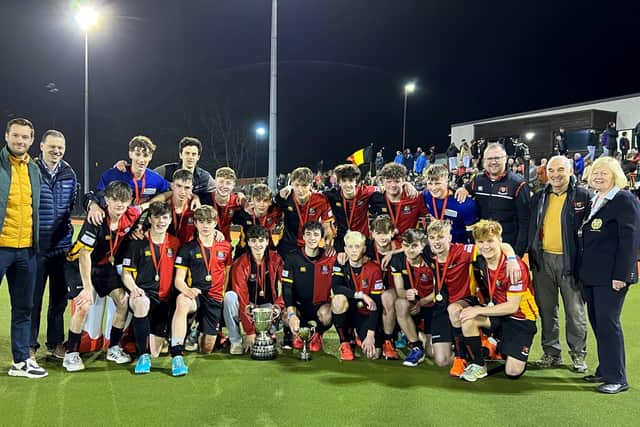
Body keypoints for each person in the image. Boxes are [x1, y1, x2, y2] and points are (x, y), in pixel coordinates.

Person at [63, 181, 141, 372]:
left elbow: (149, 204)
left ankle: (113, 348)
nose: (120, 205)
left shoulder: (130, 216)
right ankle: (70, 354)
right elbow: (84, 255)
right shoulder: (96, 218)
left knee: (123, 301)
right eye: (115, 200)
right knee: (84, 304)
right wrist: (88, 288)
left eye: (124, 201)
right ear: (106, 200)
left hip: (104, 266)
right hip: (78, 264)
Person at [577, 157, 640, 394]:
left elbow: (630, 240)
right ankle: (605, 370)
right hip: (593, 276)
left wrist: (622, 274)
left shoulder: (624, 199)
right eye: (595, 173)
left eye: (604, 173)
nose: (599, 177)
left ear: (615, 175)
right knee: (598, 323)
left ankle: (617, 378)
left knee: (608, 324)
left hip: (612, 276)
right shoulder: (596, 199)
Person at [527, 156, 591, 373]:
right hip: (543, 260)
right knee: (546, 310)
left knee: (575, 312)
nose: (555, 174)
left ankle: (578, 355)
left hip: (570, 262)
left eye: (561, 170)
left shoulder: (583, 195)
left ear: (570, 171)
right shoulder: (539, 196)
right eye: (551, 170)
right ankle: (551, 353)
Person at [458, 220, 538, 382]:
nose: (485, 246)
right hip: (497, 313)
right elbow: (452, 249)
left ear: (499, 241)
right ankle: (479, 365)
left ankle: (499, 345)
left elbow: (512, 306)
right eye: (480, 242)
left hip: (520, 319)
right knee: (468, 319)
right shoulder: (480, 255)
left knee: (513, 372)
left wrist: (478, 309)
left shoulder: (516, 268)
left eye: (490, 241)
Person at [0, 118, 48, 378]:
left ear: (31, 140)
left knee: (23, 307)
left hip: (26, 250)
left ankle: (20, 362)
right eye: (15, 136)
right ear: (7, 137)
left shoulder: (34, 169)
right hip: (1, 247)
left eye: (25, 137)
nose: (20, 141)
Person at [30, 130, 78, 361]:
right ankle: (29, 345)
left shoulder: (69, 173)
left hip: (62, 249)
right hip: (35, 248)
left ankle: (55, 342)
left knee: (58, 300)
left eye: (60, 147)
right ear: (41, 146)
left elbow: (71, 205)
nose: (56, 151)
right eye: (52, 147)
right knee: (33, 300)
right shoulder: (30, 170)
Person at [169, 206, 232, 376]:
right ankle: (177, 354)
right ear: (195, 223)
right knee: (182, 301)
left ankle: (193, 332)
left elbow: (226, 273)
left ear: (215, 223)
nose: (205, 225)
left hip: (214, 297)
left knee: (207, 348)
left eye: (209, 222)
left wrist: (222, 294)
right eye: (201, 221)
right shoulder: (188, 248)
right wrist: (187, 290)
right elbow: (178, 280)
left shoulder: (226, 246)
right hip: (195, 294)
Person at [121, 202, 181, 373]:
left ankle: (146, 346)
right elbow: (126, 274)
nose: (161, 222)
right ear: (150, 219)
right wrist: (134, 288)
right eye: (156, 217)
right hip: (144, 296)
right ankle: (142, 356)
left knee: (156, 351)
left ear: (170, 220)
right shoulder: (137, 242)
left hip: (164, 301)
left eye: (165, 217)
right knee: (141, 303)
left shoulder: (175, 243)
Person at [455, 143, 530, 256]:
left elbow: (525, 221)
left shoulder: (518, 183)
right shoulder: (478, 179)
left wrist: (517, 253)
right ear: (484, 161)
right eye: (489, 158)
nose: (493, 162)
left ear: (505, 159)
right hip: (483, 245)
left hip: (507, 246)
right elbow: (468, 188)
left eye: (497, 158)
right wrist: (463, 189)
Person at [223, 225, 284, 355]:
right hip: (247, 307)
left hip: (268, 307)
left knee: (291, 302)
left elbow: (287, 287)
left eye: (261, 240)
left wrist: (278, 306)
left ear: (267, 242)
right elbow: (242, 297)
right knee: (230, 297)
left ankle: (268, 333)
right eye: (254, 241)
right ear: (249, 242)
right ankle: (236, 341)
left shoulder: (276, 259)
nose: (258, 245)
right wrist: (249, 331)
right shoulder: (240, 263)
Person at [282, 221, 336, 352]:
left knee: (328, 314)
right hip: (299, 305)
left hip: (320, 305)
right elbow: (286, 288)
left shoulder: (330, 258)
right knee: (284, 315)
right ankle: (297, 334)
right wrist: (291, 315)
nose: (312, 238)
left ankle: (317, 334)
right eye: (308, 234)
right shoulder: (292, 258)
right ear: (303, 237)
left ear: (321, 238)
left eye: (316, 235)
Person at [331, 231, 384, 361]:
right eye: (350, 246)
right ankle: (345, 342)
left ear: (364, 249)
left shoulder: (374, 269)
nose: (353, 250)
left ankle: (361, 335)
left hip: (364, 314)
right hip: (347, 311)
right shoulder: (340, 264)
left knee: (374, 355)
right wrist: (360, 295)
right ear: (345, 249)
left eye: (357, 246)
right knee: (338, 300)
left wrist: (371, 334)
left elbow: (376, 303)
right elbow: (336, 287)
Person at [389, 229, 434, 367]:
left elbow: (439, 290)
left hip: (432, 304)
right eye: (406, 245)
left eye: (414, 246)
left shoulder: (431, 258)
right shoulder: (397, 260)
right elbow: (400, 290)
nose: (410, 250)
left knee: (432, 353)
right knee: (400, 303)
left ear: (422, 246)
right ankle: (416, 346)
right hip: (413, 305)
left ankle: (419, 333)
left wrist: (422, 301)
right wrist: (406, 293)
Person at [275, 167, 334, 257]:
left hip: (311, 246)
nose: (300, 190)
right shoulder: (285, 198)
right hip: (287, 246)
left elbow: (327, 227)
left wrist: (328, 243)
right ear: (292, 184)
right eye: (297, 185)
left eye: (304, 185)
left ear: (311, 185)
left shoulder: (320, 200)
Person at [366, 215, 403, 360]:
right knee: (373, 355)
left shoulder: (400, 246)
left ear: (393, 233)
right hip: (371, 291)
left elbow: (422, 246)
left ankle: (388, 341)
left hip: (395, 290)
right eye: (379, 233)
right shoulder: (367, 247)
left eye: (386, 233)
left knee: (386, 297)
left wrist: (393, 253)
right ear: (372, 233)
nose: (383, 237)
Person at [369, 163, 427, 241]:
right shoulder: (376, 198)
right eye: (389, 181)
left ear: (403, 180)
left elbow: (429, 215)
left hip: (407, 245)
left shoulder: (415, 198)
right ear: (382, 181)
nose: (393, 185)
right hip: (386, 244)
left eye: (397, 181)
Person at [324, 164, 376, 252]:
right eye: (344, 181)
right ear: (339, 182)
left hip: (362, 240)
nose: (348, 185)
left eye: (351, 180)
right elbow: (313, 196)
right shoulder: (333, 196)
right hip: (342, 241)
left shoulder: (365, 192)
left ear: (356, 181)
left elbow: (384, 188)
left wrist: (405, 184)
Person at [423, 164, 478, 243]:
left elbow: (473, 236)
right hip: (437, 244)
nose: (433, 188)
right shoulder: (426, 195)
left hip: (458, 247)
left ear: (447, 181)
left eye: (438, 183)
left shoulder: (464, 204)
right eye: (430, 184)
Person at [231, 183, 282, 257]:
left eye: (265, 201)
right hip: (244, 252)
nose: (261, 204)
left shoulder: (275, 211)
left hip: (267, 251)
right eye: (258, 200)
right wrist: (240, 195)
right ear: (252, 200)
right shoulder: (242, 214)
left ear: (270, 202)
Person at [202, 167, 244, 241]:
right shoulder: (204, 200)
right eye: (221, 182)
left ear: (233, 185)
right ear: (215, 182)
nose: (224, 186)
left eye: (228, 183)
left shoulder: (237, 202)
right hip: (206, 240)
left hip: (225, 242)